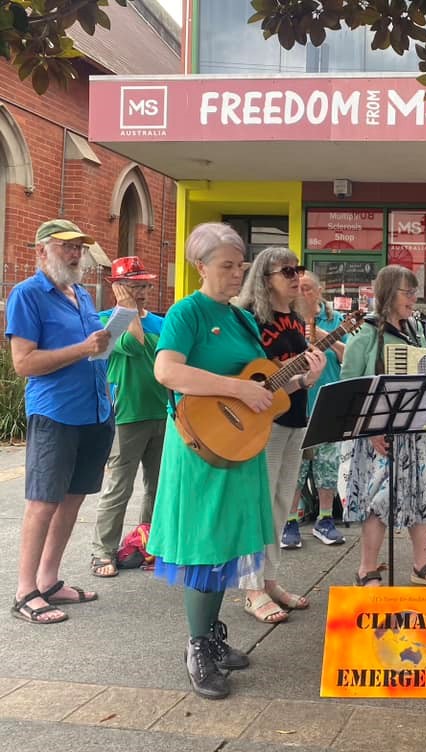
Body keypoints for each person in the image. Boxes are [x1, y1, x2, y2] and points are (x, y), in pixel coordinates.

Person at [149, 222, 277, 699]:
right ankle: (198, 647)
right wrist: (234, 387)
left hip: (237, 444)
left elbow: (259, 384)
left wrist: (298, 378)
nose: (235, 274)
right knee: (206, 545)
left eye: (240, 266)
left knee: (223, 544)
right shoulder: (188, 312)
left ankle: (211, 635)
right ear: (199, 267)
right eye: (226, 266)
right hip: (200, 449)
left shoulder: (241, 319)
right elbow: (167, 370)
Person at [7, 219, 114, 625]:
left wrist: (104, 343)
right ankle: (25, 591)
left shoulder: (82, 294)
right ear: (41, 251)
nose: (75, 254)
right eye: (66, 247)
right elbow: (24, 363)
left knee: (73, 499)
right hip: (55, 413)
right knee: (43, 502)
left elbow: (91, 352)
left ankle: (49, 581)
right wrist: (83, 348)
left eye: (79, 248)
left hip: (95, 410)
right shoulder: (28, 295)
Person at [235, 248, 325, 623]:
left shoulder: (294, 319)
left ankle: (269, 579)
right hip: (263, 423)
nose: (294, 276)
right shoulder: (252, 319)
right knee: (258, 503)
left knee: (281, 503)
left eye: (297, 269)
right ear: (263, 277)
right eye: (285, 270)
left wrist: (308, 376)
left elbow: (294, 374)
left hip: (295, 417)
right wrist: (295, 376)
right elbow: (247, 372)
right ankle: (250, 587)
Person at [340, 265, 426, 587]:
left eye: (415, 291)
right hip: (379, 436)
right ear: (387, 295)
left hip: (415, 432)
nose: (414, 298)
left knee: (422, 495)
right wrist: (369, 428)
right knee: (377, 499)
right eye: (407, 292)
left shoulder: (419, 331)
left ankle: (421, 564)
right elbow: (348, 389)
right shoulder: (365, 336)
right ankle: (366, 568)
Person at [90, 257, 166, 578]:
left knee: (157, 485)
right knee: (120, 485)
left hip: (162, 411)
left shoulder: (161, 324)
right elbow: (134, 346)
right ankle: (102, 551)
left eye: (145, 285)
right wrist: (127, 308)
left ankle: (148, 544)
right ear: (118, 288)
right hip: (127, 416)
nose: (142, 291)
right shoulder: (106, 321)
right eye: (134, 286)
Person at [295, 271, 347, 546]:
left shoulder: (336, 320)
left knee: (328, 467)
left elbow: (348, 357)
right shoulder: (287, 319)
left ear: (319, 290)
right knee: (295, 469)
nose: (301, 293)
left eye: (307, 288)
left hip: (327, 405)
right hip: (295, 406)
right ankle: (289, 522)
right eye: (298, 288)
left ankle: (325, 519)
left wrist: (326, 336)